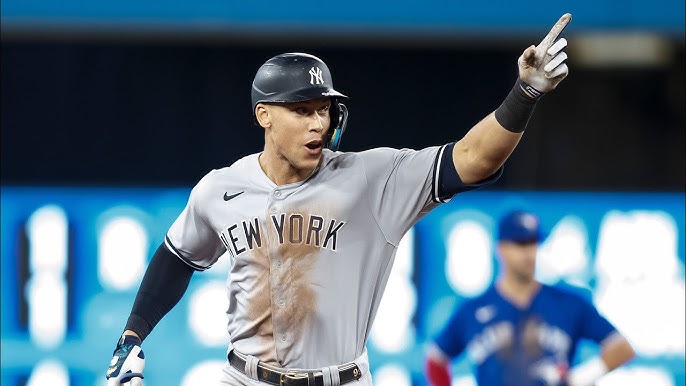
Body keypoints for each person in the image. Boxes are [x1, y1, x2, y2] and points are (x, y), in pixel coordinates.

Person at [106, 13, 574, 386]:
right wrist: (132, 335)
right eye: (302, 110)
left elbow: (473, 159)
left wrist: (525, 93)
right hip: (244, 378)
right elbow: (177, 255)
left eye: (324, 109)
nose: (318, 123)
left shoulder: (371, 178)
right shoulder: (220, 189)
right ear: (263, 115)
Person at [424, 209, 636, 386]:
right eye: (520, 243)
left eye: (533, 242)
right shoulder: (473, 310)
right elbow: (436, 359)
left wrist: (578, 378)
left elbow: (621, 347)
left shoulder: (567, 303)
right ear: (501, 248)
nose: (529, 252)